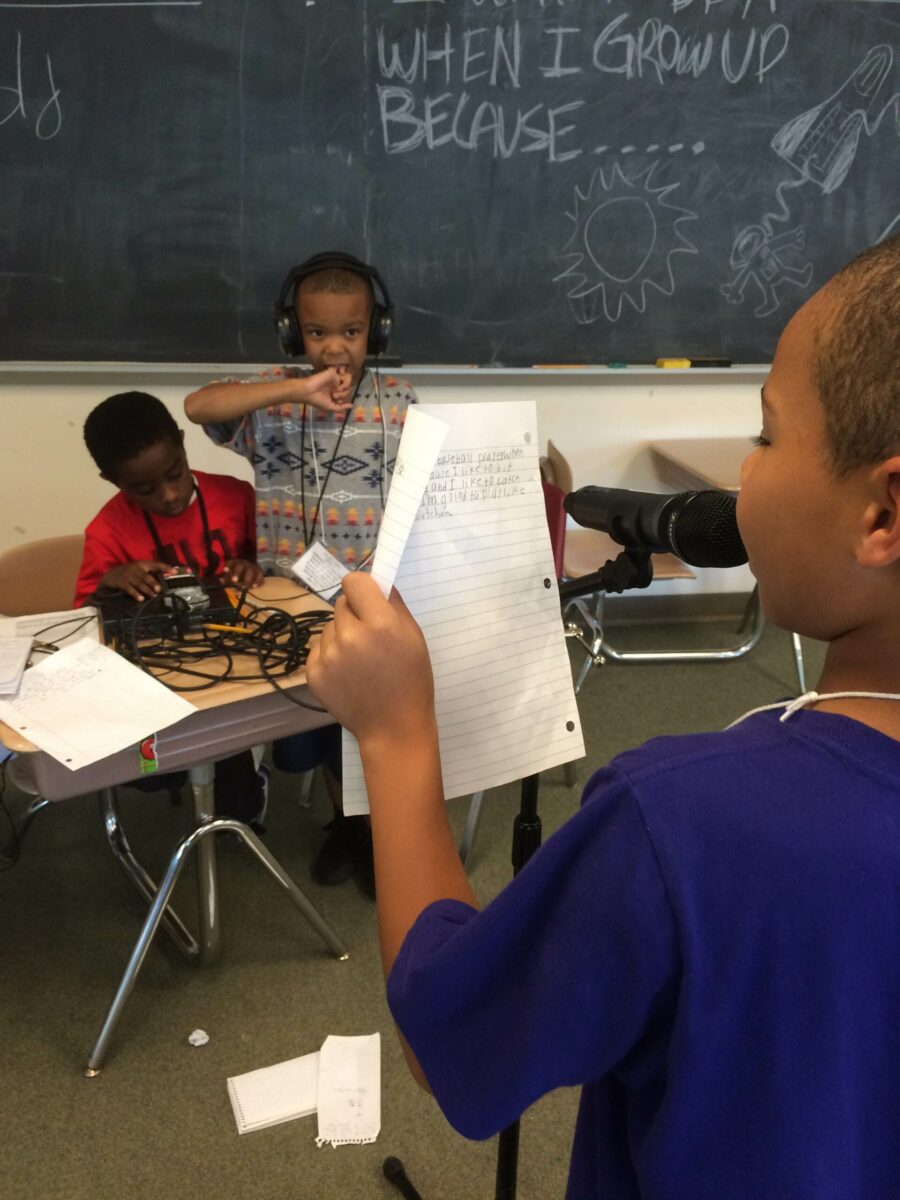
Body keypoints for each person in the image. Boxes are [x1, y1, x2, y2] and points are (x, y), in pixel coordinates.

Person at [305, 233, 900, 1199]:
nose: (743, 477)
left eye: (766, 436)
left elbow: (455, 1044)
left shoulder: (685, 825)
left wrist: (397, 735)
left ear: (884, 513)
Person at [184, 251, 419, 892]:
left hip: (368, 598)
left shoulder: (398, 402)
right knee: (305, 734)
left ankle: (364, 831)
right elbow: (198, 405)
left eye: (352, 331)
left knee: (360, 722)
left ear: (378, 330)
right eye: (317, 333)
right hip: (287, 597)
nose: (335, 349)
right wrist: (294, 388)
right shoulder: (270, 399)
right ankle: (340, 817)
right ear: (294, 333)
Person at [76, 390, 272, 826]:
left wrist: (250, 567)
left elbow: (269, 574)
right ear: (112, 480)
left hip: (231, 673)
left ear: (184, 444)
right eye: (144, 489)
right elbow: (83, 620)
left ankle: (243, 796)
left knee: (232, 785)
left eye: (175, 474)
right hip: (158, 680)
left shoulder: (235, 497)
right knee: (152, 770)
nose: (167, 495)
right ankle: (178, 783)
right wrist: (110, 582)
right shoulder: (107, 532)